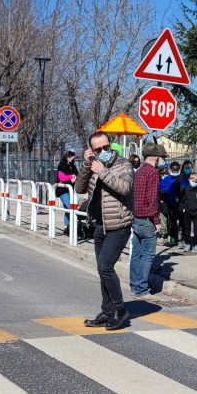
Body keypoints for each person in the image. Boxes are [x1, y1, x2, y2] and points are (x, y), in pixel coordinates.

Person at [76, 131, 135, 330]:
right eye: (98, 149)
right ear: (92, 151)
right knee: (102, 270)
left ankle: (119, 309)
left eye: (106, 147)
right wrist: (87, 165)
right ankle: (107, 310)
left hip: (118, 225)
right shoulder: (93, 165)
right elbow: (79, 188)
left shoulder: (124, 164)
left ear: (111, 145)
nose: (103, 151)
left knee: (105, 267)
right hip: (99, 224)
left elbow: (125, 188)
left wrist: (102, 172)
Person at [130, 143, 165, 296]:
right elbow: (152, 199)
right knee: (148, 255)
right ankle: (141, 289)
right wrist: (157, 221)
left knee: (136, 254)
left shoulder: (138, 171)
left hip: (135, 217)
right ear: (156, 157)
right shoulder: (152, 172)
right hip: (147, 219)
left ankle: (134, 284)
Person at [179, 171, 197, 252]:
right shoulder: (186, 189)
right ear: (189, 180)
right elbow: (181, 200)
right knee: (187, 229)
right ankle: (187, 243)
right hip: (187, 211)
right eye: (192, 180)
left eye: (195, 181)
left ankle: (195, 244)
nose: (194, 182)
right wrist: (183, 209)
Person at [56, 150, 78, 235]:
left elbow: (77, 175)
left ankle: (67, 226)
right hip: (63, 191)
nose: (72, 159)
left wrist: (75, 178)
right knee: (69, 208)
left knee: (70, 209)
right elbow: (62, 177)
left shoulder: (73, 166)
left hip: (72, 190)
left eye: (73, 157)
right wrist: (71, 177)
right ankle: (68, 226)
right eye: (71, 157)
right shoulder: (61, 165)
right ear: (67, 157)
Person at [159, 161, 181, 245]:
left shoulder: (180, 179)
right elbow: (160, 188)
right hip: (167, 203)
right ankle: (166, 238)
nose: (175, 171)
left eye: (176, 170)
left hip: (177, 204)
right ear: (171, 169)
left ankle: (174, 238)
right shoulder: (166, 179)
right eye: (174, 170)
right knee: (166, 222)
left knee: (174, 222)